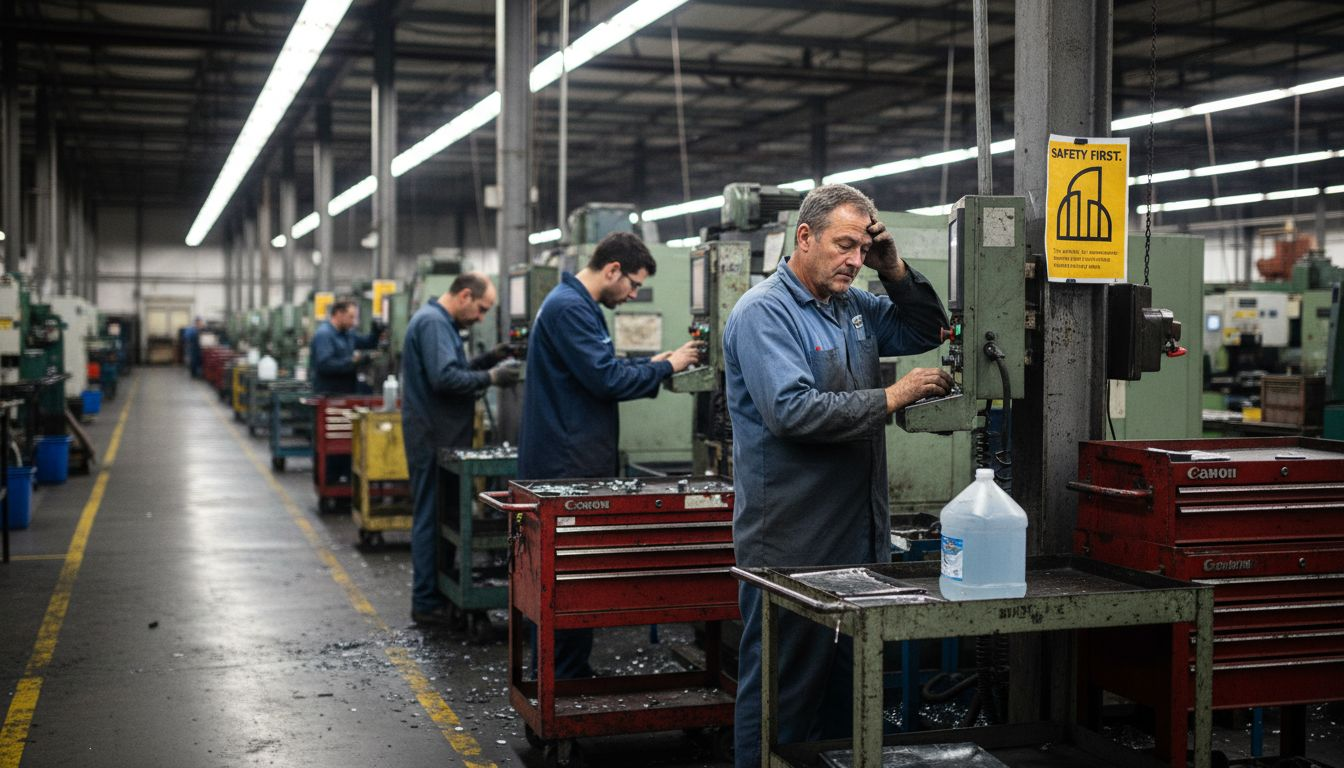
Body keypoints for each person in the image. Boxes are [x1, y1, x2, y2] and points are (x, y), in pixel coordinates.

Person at [723, 183, 952, 767]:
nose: (854, 260)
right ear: (804, 238)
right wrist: (893, 395)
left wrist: (894, 268)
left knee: (847, 695)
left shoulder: (853, 307)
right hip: (791, 543)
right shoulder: (764, 312)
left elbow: (926, 329)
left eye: (862, 249)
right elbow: (792, 411)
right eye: (843, 245)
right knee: (782, 691)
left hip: (857, 535)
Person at [517, 231, 700, 676]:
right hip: (566, 465)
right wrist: (666, 367)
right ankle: (563, 680)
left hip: (568, 458)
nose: (633, 294)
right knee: (567, 580)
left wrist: (649, 365)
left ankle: (566, 673)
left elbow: (599, 372)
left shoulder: (574, 304)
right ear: (612, 269)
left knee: (568, 578)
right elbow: (605, 380)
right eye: (633, 284)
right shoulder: (570, 307)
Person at [400, 272, 521, 624]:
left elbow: (453, 368)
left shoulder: (440, 323)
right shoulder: (434, 323)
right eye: (481, 309)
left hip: (442, 437)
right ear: (465, 295)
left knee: (441, 517)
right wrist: (492, 378)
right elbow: (444, 379)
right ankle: (425, 602)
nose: (481, 318)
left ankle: (436, 591)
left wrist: (487, 360)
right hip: (434, 438)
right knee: (430, 517)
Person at [310, 299, 380, 395]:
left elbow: (367, 344)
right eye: (351, 317)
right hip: (329, 395)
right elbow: (325, 365)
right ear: (339, 314)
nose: (354, 322)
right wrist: (353, 361)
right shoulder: (324, 334)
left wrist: (376, 332)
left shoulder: (347, 334)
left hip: (347, 392)